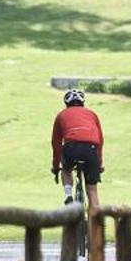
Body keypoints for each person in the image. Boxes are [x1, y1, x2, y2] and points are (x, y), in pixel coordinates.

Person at [51, 87, 103, 215]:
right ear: (83, 103)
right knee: (92, 190)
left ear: (66, 103)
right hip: (91, 149)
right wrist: (99, 164)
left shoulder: (61, 115)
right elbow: (100, 140)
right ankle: (95, 228)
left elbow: (56, 143)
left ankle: (68, 195)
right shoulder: (92, 114)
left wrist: (56, 166)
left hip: (71, 148)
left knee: (67, 170)